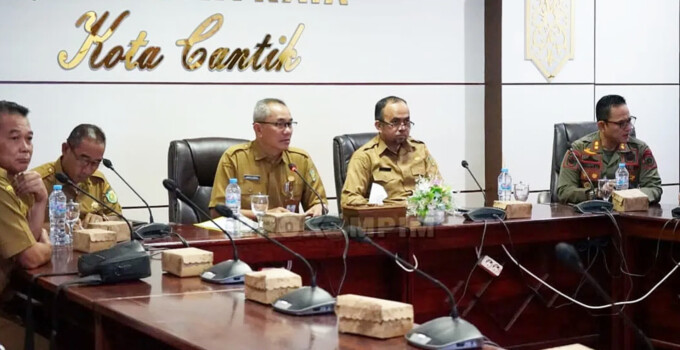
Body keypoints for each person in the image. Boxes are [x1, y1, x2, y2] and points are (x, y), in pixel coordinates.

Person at [209, 98, 327, 219]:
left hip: (288, 234)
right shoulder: (234, 159)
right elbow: (217, 211)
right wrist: (265, 215)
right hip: (246, 235)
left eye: (289, 124)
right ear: (258, 129)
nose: (287, 131)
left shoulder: (301, 160)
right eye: (279, 124)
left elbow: (320, 203)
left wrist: (319, 207)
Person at [0, 101, 51, 349]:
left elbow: (24, 241)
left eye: (29, 139)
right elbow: (29, 257)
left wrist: (41, 200)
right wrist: (50, 247)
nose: (25, 148)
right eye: (14, 138)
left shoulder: (12, 182)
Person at [557, 94, 662, 204]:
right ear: (602, 125)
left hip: (627, 215)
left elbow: (654, 188)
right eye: (621, 123)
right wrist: (595, 193)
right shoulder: (578, 150)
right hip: (589, 216)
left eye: (629, 121)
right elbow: (564, 191)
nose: (629, 127)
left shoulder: (640, 149)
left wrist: (627, 196)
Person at [341, 96, 442, 207]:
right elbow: (350, 199)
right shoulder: (364, 157)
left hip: (422, 219)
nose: (403, 128)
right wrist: (383, 208)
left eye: (406, 122)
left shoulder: (420, 149)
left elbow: (438, 186)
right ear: (379, 126)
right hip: (387, 220)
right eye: (395, 122)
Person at [33, 124, 122, 221]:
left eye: (95, 163)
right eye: (83, 160)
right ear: (65, 149)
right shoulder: (37, 183)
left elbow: (118, 217)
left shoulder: (98, 182)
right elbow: (20, 230)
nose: (88, 170)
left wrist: (103, 220)